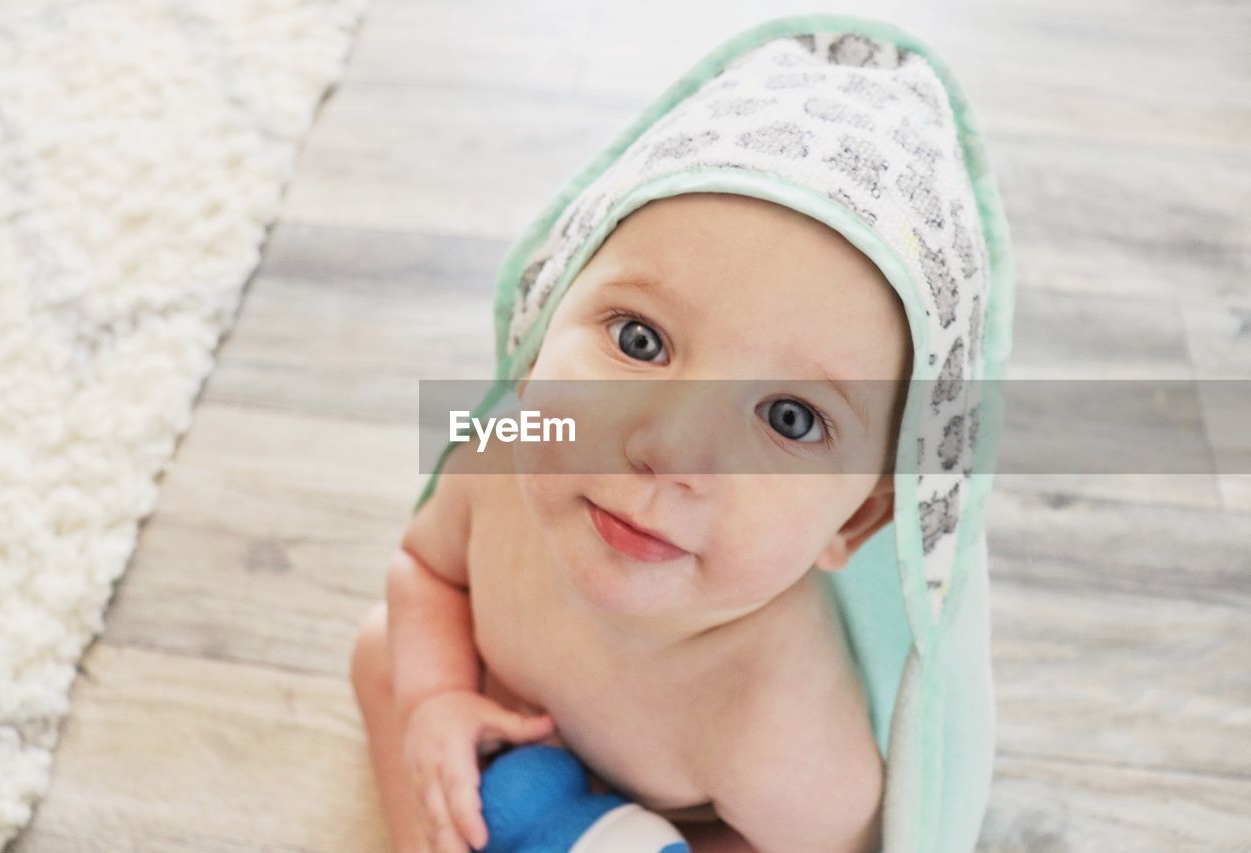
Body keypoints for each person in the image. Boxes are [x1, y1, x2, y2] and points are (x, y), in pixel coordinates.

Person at [351, 17, 1013, 853]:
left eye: (789, 418)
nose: (668, 449)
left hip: (666, 828)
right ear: (543, 318)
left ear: (851, 523)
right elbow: (425, 569)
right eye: (639, 339)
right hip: (507, 730)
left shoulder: (784, 722)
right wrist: (436, 700)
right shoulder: (499, 453)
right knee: (382, 651)